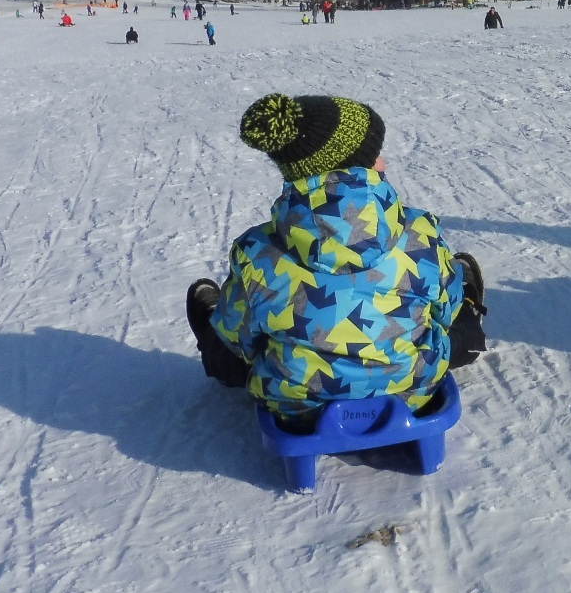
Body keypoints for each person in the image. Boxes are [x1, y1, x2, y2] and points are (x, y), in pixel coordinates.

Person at [185, 94, 489, 430]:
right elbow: (444, 312)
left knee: (228, 342)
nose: (383, 161)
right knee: (451, 313)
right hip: (410, 391)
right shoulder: (420, 234)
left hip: (300, 407)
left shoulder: (258, 252)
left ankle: (212, 321)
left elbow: (239, 340)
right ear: (358, 167)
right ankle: (470, 334)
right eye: (375, 155)